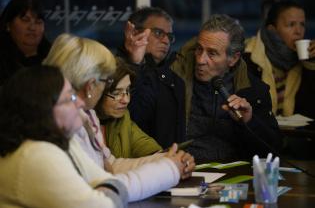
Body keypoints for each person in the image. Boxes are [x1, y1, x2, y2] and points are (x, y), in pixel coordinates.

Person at [43, 33, 195, 202]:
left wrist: (167, 159)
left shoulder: (86, 114)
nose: (105, 86)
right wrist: (169, 169)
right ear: (89, 85)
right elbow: (102, 191)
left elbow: (109, 166)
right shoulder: (61, 125)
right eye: (106, 81)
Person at [0, 65, 128, 208]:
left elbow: (110, 182)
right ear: (44, 110)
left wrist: (107, 188)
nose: (79, 102)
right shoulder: (37, 154)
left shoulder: (55, 142)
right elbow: (107, 205)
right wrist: (110, 190)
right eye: (69, 98)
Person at [171, 14, 282, 160]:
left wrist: (249, 121)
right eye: (199, 49)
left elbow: (271, 152)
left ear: (233, 59)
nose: (200, 60)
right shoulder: (173, 79)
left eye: (212, 53)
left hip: (234, 174)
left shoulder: (254, 90)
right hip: (182, 168)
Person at [117, 7, 186, 149]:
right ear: (135, 33)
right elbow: (133, 118)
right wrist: (135, 65)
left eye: (170, 36)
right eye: (159, 33)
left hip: (169, 163)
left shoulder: (175, 81)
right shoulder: (114, 72)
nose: (166, 40)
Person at [244, 0, 315, 119]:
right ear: (273, 30)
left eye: (302, 24)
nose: (298, 31)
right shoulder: (248, 59)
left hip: (296, 135)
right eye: (291, 25)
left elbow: (310, 111)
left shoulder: (306, 61)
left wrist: (311, 66)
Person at [95, 61, 163, 158]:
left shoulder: (123, 119)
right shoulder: (80, 126)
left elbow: (146, 146)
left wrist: (167, 157)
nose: (126, 100)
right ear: (97, 93)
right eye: (116, 93)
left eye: (127, 90)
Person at [0, 0, 51, 85]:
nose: (32, 28)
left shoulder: (54, 56)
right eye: (25, 20)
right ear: (8, 25)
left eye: (38, 22)